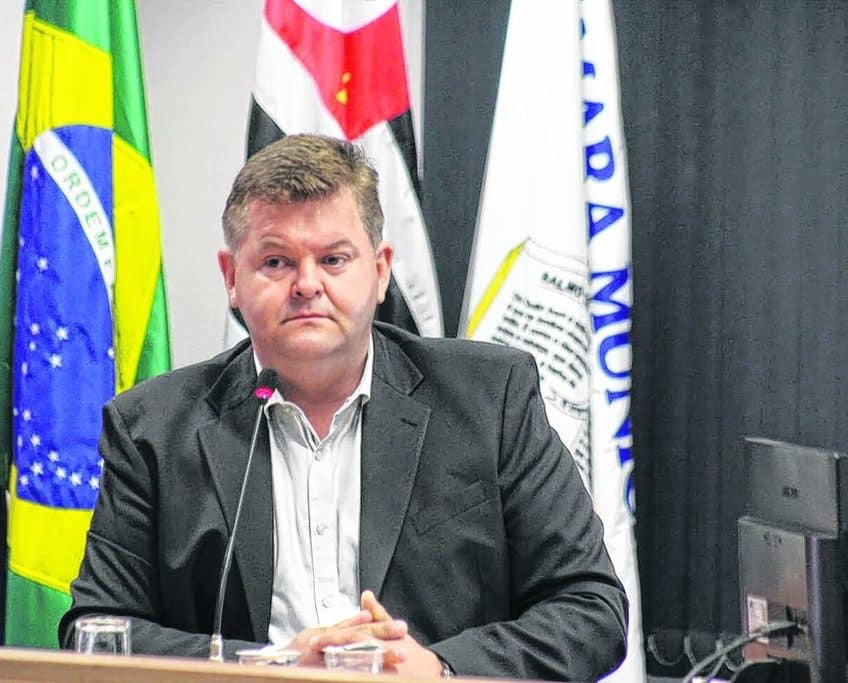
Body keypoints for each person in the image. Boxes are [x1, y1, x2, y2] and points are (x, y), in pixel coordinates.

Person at [60, 134, 628, 680]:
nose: (306, 285)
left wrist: (441, 669)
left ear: (380, 271)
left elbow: (591, 608)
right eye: (276, 262)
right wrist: (272, 666)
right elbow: (97, 628)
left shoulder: (489, 399)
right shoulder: (153, 429)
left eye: (333, 259)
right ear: (232, 278)